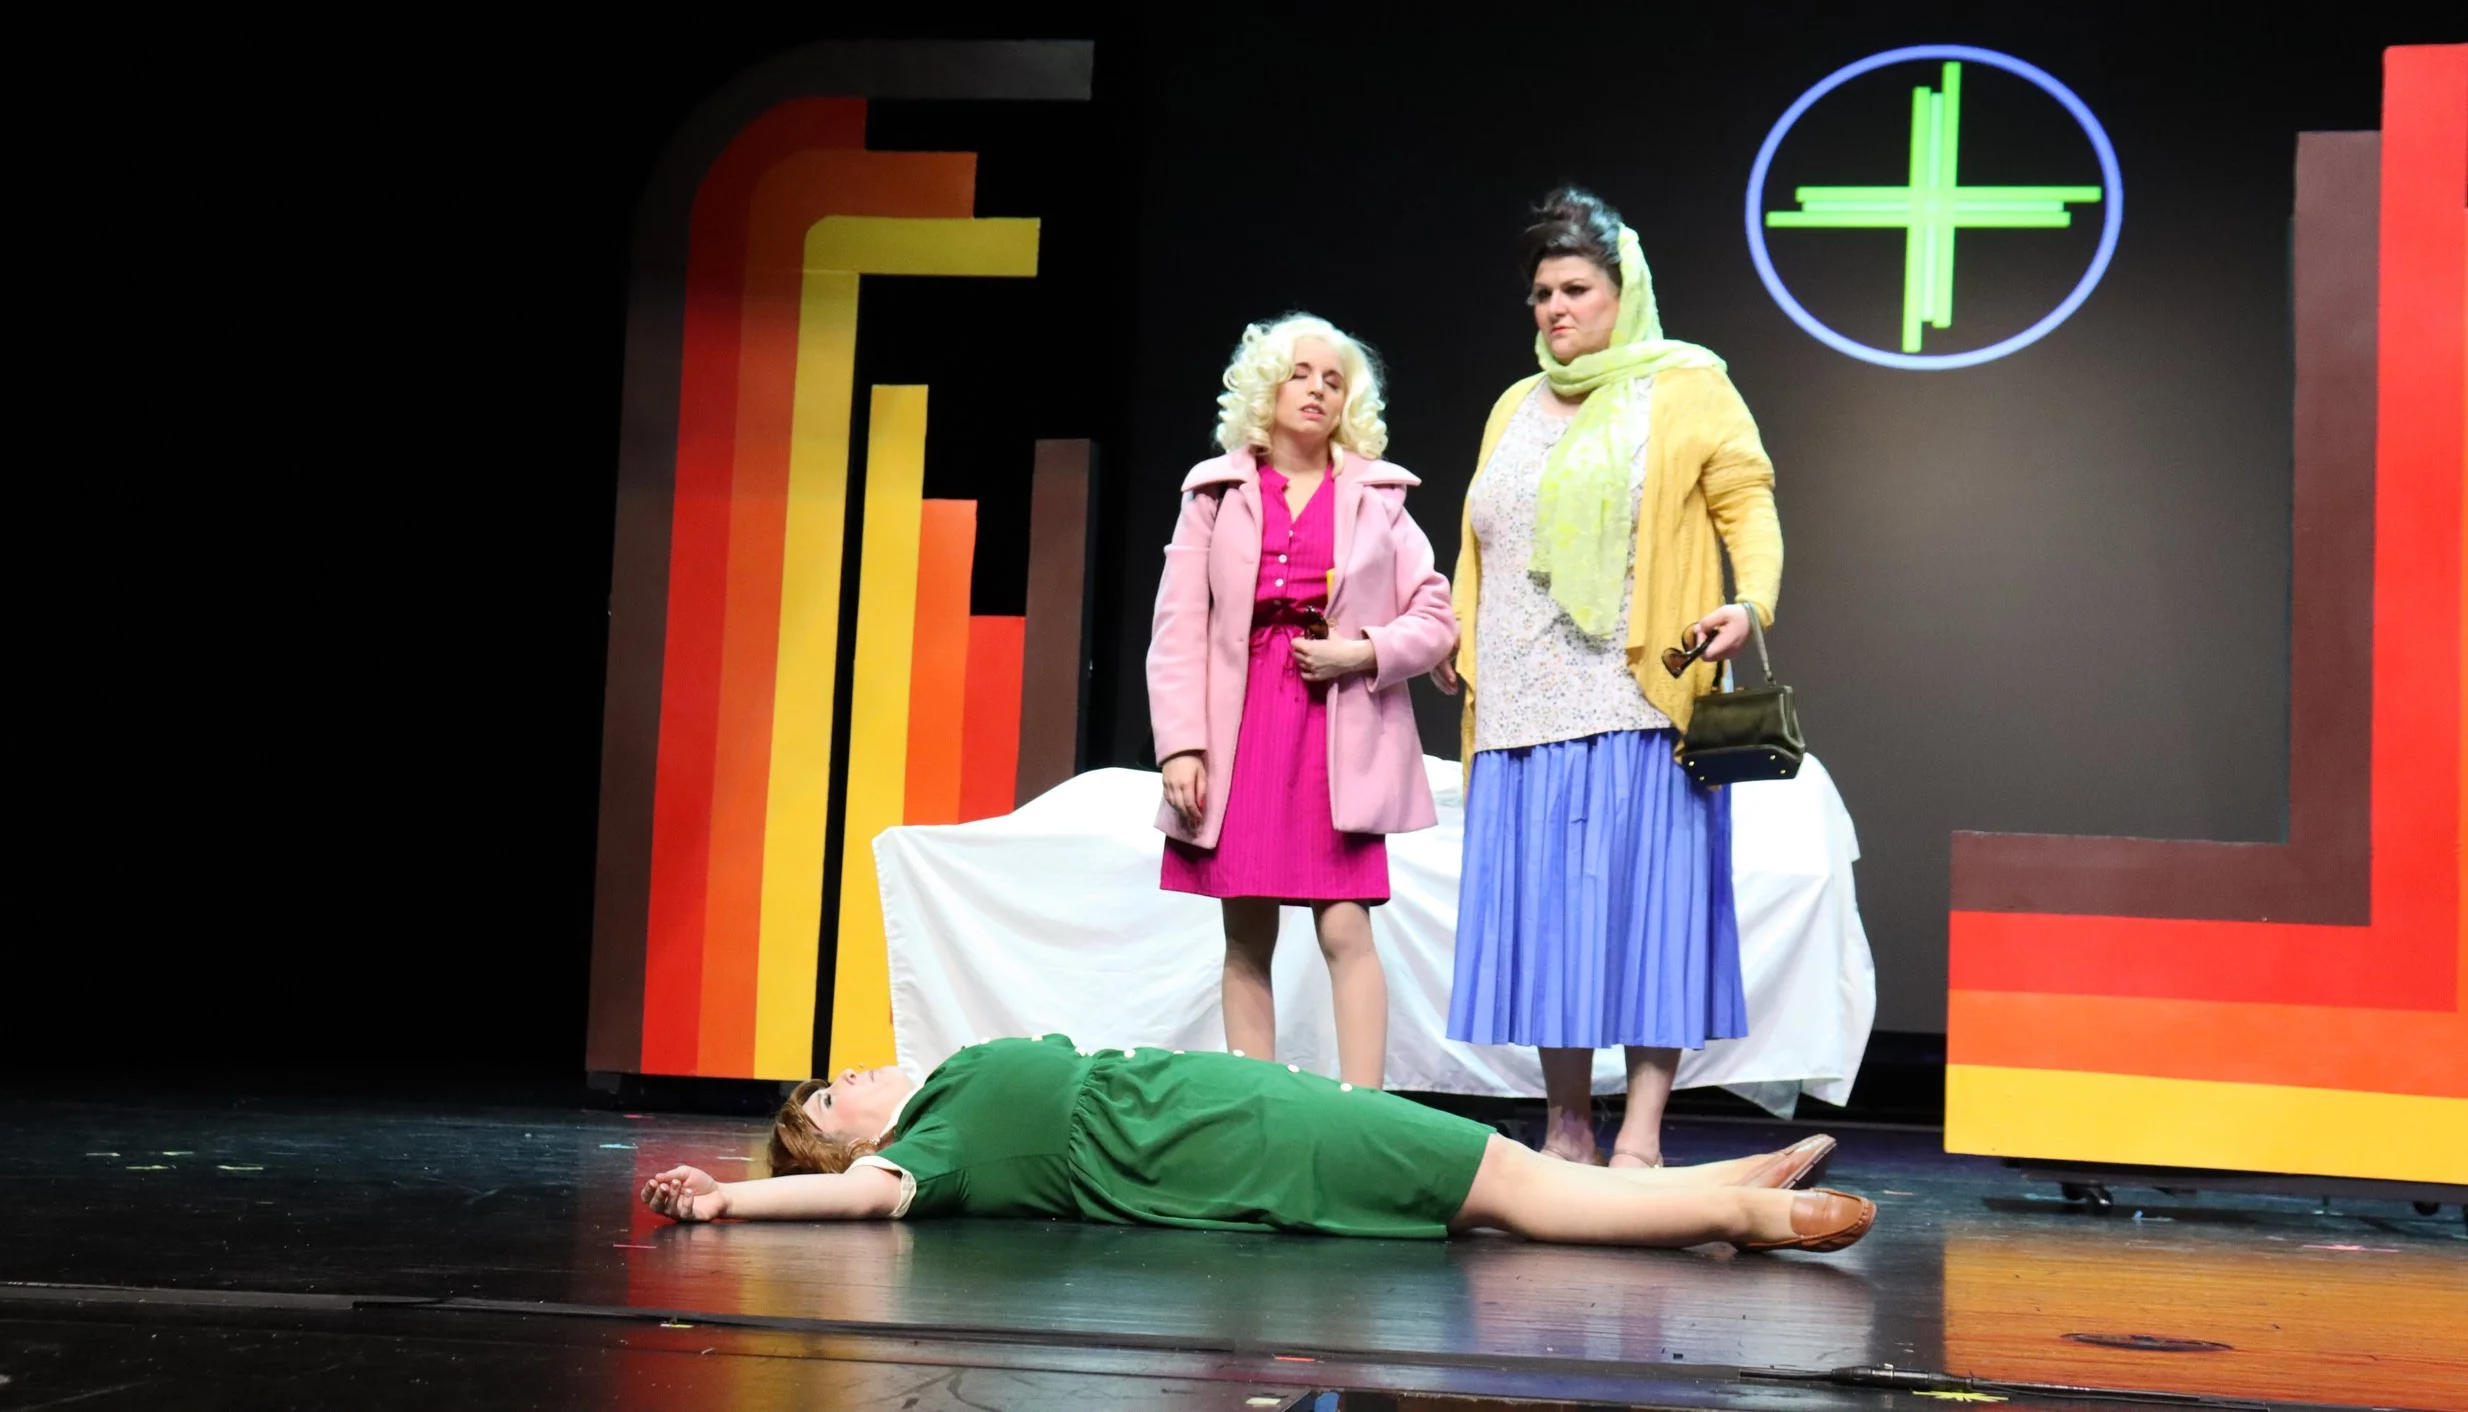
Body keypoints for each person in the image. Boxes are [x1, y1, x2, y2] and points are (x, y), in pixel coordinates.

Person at [1435, 187, 1782, 1169]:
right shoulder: (1514, 402)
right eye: (1541, 292)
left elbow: (1742, 496)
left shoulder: (1685, 384)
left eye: (1575, 287)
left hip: (1639, 692)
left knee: (1649, 910)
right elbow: (1482, 535)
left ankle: (1638, 1132)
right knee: (1550, 919)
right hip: (1519, 702)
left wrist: (1749, 600)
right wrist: (1458, 630)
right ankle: (1566, 1123)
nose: (1555, 308)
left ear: (1621, 290)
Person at [638, 1036, 1869, 1252]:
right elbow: (860, 1203)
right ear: (848, 1142)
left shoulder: (952, 1091)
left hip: (1257, 1116)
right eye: (835, 1095)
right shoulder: (937, 1146)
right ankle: (1735, 1214)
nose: (853, 1075)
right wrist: (724, 1205)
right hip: (1262, 1149)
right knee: (1502, 1187)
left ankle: (1716, 1179)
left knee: (1507, 1176)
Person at [1144, 315, 1456, 1089]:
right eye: (1301, 373)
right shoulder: (1212, 493)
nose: (1317, 390)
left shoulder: (1379, 497)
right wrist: (1181, 744)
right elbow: (1178, 623)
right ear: (1266, 386)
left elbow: (1435, 615)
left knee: (1346, 925)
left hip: (1335, 729)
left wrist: (1366, 651)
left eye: (1333, 380)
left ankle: (1363, 1115)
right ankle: (1261, 1113)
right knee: (1246, 931)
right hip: (1241, 726)